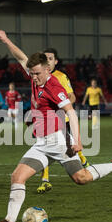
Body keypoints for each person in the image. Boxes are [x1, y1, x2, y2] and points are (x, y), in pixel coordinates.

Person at [0, 28, 112, 222]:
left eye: (37, 74)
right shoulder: (34, 75)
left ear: (47, 70)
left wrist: (77, 140)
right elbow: (21, 57)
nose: (34, 77)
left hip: (58, 142)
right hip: (41, 144)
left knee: (81, 178)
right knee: (17, 177)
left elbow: (72, 113)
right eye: (31, 74)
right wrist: (5, 40)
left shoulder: (54, 87)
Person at [36, 47, 90, 194]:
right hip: (45, 121)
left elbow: (72, 97)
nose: (47, 61)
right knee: (44, 147)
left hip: (61, 120)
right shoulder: (37, 76)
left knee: (68, 147)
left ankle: (82, 159)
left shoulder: (61, 76)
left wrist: (61, 105)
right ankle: (45, 181)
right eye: (44, 58)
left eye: (50, 58)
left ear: (56, 62)